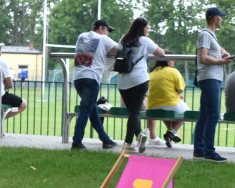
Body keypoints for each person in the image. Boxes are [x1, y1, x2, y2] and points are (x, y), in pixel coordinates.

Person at [116, 18, 165, 153]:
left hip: (123, 81)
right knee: (135, 111)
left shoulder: (123, 38)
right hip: (139, 79)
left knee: (131, 112)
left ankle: (139, 135)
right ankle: (128, 142)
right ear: (143, 28)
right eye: (148, 28)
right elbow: (161, 53)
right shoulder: (144, 41)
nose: (148, 30)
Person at [193, 7, 233, 162]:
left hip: (211, 78)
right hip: (209, 78)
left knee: (204, 114)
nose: (222, 19)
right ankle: (209, 151)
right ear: (215, 18)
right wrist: (222, 61)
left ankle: (199, 150)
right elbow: (203, 58)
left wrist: (223, 52)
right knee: (213, 114)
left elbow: (214, 48)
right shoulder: (205, 35)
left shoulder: (210, 35)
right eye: (221, 17)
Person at [72, 19, 119, 150]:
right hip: (91, 78)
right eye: (107, 30)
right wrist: (107, 52)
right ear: (101, 28)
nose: (108, 33)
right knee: (85, 110)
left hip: (78, 78)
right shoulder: (103, 39)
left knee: (91, 109)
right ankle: (76, 142)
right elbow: (120, 50)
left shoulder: (81, 36)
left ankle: (105, 139)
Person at [146, 51, 187, 148]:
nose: (174, 61)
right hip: (170, 103)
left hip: (153, 106)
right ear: (165, 60)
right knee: (186, 112)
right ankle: (172, 131)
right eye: (171, 59)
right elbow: (180, 90)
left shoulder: (152, 72)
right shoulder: (173, 71)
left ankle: (170, 130)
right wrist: (176, 94)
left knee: (165, 111)